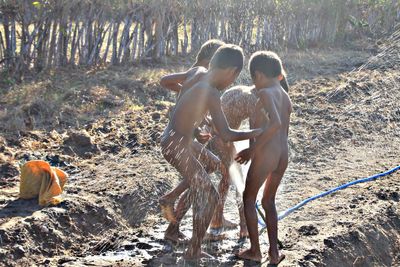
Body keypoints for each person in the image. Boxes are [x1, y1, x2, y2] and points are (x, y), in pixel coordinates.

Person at [160, 44, 262, 259]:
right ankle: (193, 252)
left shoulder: (197, 73)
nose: (231, 84)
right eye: (233, 79)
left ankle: (172, 200)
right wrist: (260, 131)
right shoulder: (212, 93)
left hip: (177, 138)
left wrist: (196, 127)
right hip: (178, 145)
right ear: (231, 72)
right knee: (210, 194)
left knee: (214, 164)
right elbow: (225, 133)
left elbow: (176, 92)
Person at [235, 51, 292, 265]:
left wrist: (252, 151)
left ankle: (255, 251)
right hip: (282, 155)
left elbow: (275, 123)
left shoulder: (266, 93)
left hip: (267, 154)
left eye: (253, 80)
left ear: (258, 75)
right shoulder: (284, 94)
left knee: (249, 199)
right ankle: (274, 254)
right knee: (269, 201)